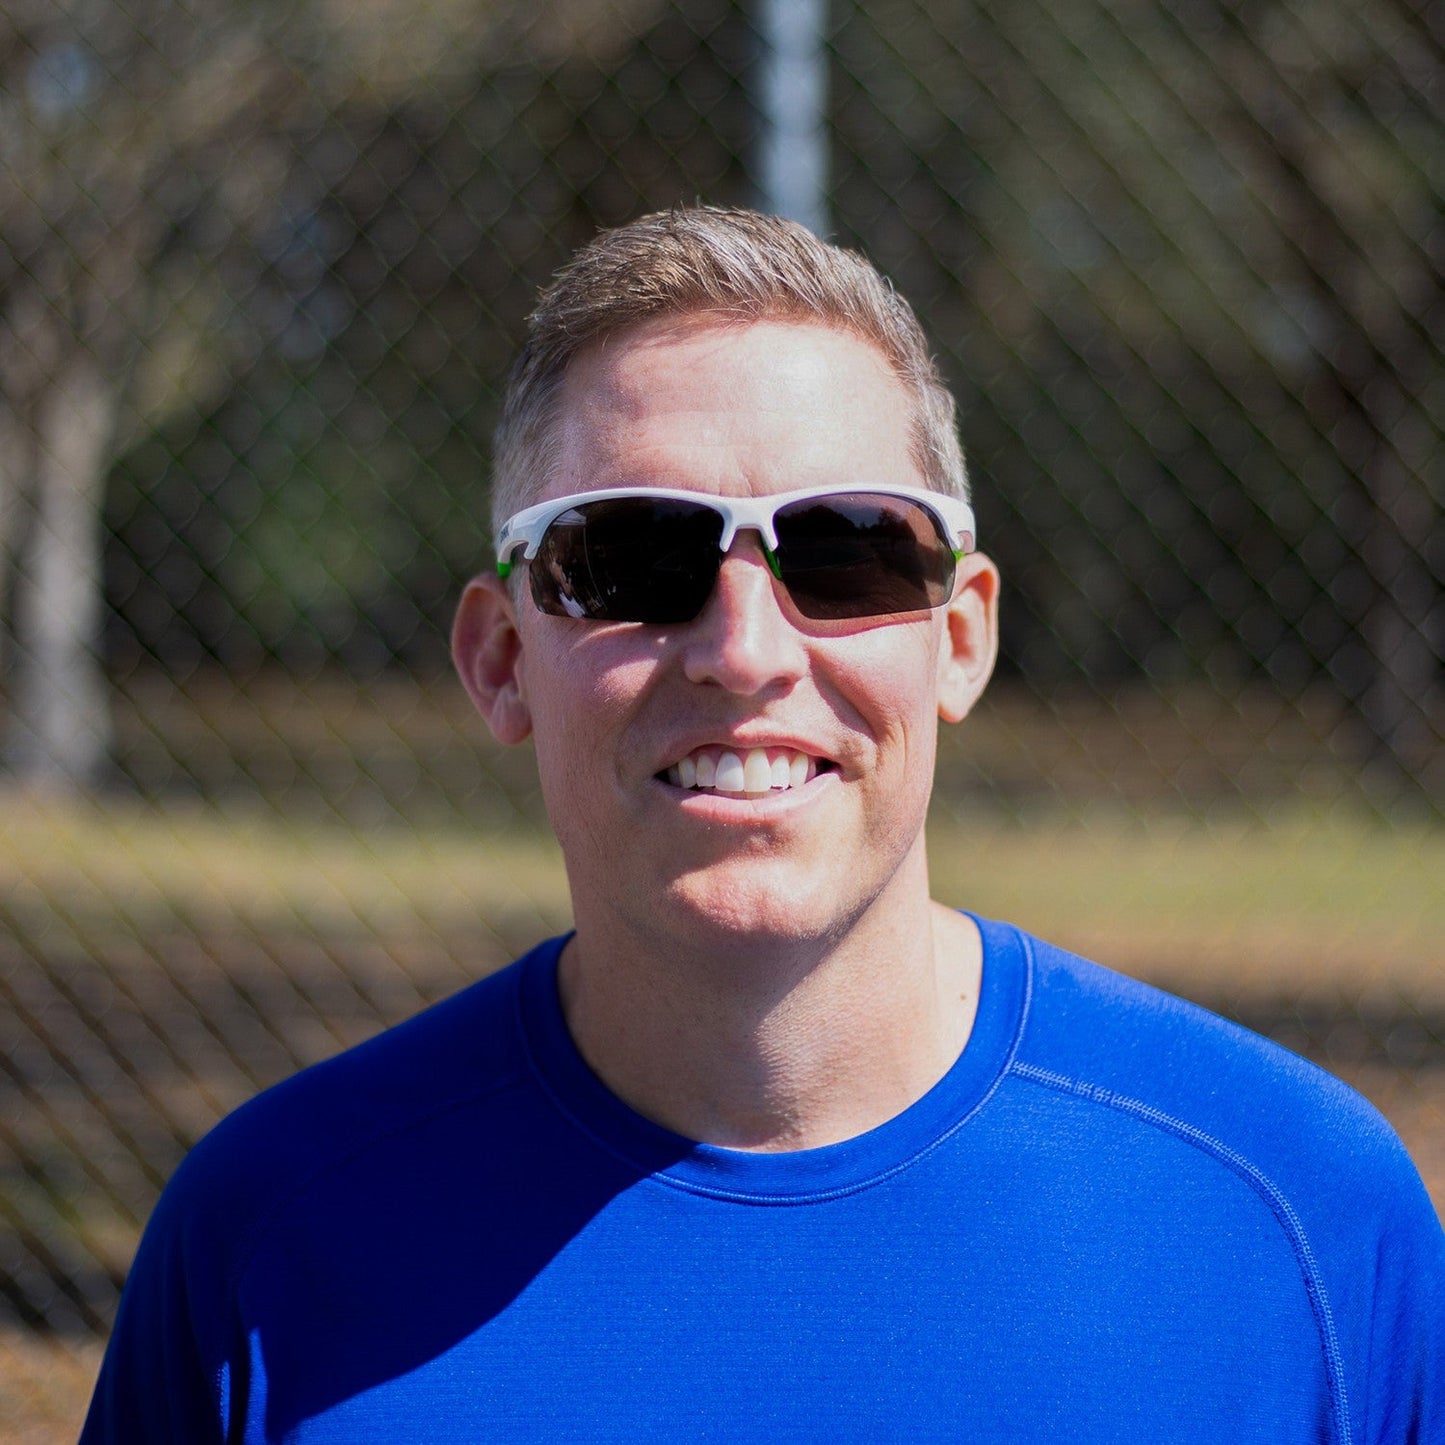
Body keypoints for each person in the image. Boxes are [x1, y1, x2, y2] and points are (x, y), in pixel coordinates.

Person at [82, 206, 1443, 1442]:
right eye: (628, 554)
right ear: (500, 658)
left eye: (847, 548)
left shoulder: (1299, 1222)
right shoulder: (270, 1237)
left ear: (958, 638)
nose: (742, 650)